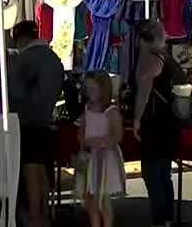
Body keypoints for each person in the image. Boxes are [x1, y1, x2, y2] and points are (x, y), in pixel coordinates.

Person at [8, 21, 64, 227]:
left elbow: (15, 94)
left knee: (30, 183)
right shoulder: (53, 59)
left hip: (26, 127)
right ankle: (43, 220)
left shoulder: (25, 60)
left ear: (20, 39)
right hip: (45, 127)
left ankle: (34, 222)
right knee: (42, 182)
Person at [132, 20, 182, 227]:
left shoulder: (149, 58)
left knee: (152, 173)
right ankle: (167, 219)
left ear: (142, 38)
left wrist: (136, 119)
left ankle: (160, 220)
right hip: (172, 122)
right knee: (163, 174)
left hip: (156, 122)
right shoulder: (168, 58)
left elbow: (144, 91)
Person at [78, 71, 126, 227]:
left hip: (105, 160)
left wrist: (101, 142)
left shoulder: (110, 111)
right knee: (90, 196)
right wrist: (83, 142)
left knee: (103, 198)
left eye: (93, 88)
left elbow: (117, 135)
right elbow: (83, 129)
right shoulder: (88, 108)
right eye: (88, 88)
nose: (89, 92)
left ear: (103, 89)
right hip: (90, 157)